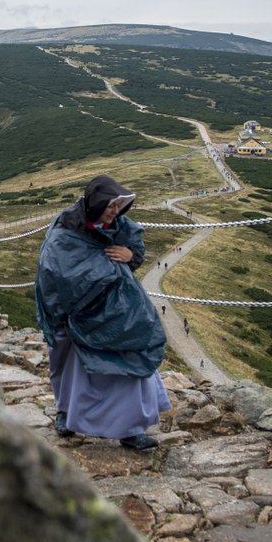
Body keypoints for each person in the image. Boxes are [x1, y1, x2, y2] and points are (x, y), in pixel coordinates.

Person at [35, 175, 170, 451]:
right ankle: (66, 413)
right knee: (68, 362)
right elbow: (55, 271)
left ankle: (130, 429)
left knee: (131, 355)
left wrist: (130, 255)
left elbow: (136, 253)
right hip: (76, 312)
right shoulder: (66, 231)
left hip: (118, 310)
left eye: (119, 205)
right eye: (111, 205)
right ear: (96, 203)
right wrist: (97, 275)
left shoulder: (119, 225)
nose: (115, 211)